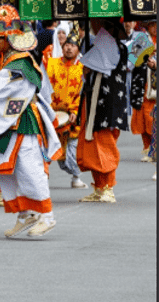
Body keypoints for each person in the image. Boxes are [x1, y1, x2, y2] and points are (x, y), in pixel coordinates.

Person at [0, 5, 61, 237]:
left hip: (24, 121)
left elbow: (0, 89)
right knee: (5, 169)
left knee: (29, 167)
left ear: (10, 37)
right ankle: (25, 214)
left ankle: (46, 215)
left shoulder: (22, 62)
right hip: (6, 122)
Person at [77, 19, 130, 202]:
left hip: (107, 102)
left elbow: (93, 65)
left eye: (100, 25)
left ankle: (109, 188)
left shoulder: (110, 45)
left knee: (104, 143)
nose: (96, 28)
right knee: (91, 144)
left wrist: (87, 66)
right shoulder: (102, 45)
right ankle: (99, 187)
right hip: (95, 100)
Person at [46, 35, 87, 189]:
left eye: (73, 45)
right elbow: (45, 88)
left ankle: (77, 177)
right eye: (67, 45)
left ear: (78, 49)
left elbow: (82, 93)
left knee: (71, 151)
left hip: (72, 116)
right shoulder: (52, 64)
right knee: (60, 158)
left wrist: (75, 110)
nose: (69, 48)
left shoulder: (83, 68)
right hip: (53, 115)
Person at [130, 20, 156, 162]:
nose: (154, 28)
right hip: (141, 82)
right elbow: (132, 59)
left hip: (155, 83)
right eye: (152, 25)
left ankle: (154, 148)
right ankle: (147, 148)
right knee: (141, 117)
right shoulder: (142, 39)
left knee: (152, 118)